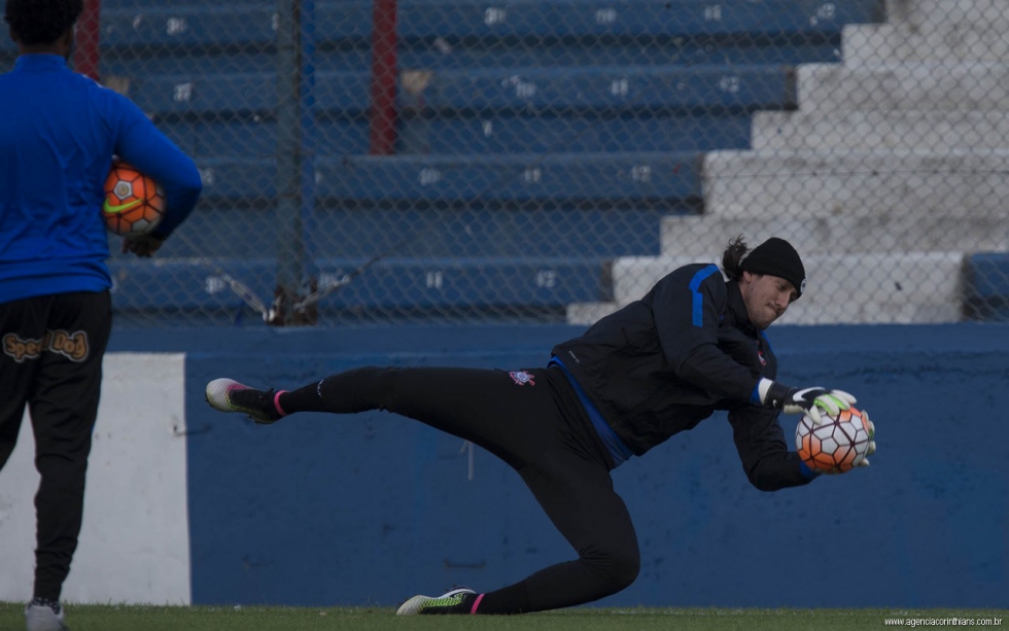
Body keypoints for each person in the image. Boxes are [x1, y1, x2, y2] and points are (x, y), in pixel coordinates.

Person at [205, 236, 876, 615]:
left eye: (791, 297)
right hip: (541, 401)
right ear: (749, 272)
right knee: (394, 384)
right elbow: (688, 355)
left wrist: (810, 463)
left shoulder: (758, 362)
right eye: (778, 287)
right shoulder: (698, 282)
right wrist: (779, 392)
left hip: (583, 459)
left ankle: (468, 606)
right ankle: (272, 402)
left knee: (617, 564)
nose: (782, 302)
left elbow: (761, 467)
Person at [0, 1, 203, 629]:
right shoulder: (101, 104)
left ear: (9, 28)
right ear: (72, 30)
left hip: (6, 292)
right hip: (81, 295)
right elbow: (185, 180)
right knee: (62, 453)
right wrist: (152, 233)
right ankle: (43, 604)